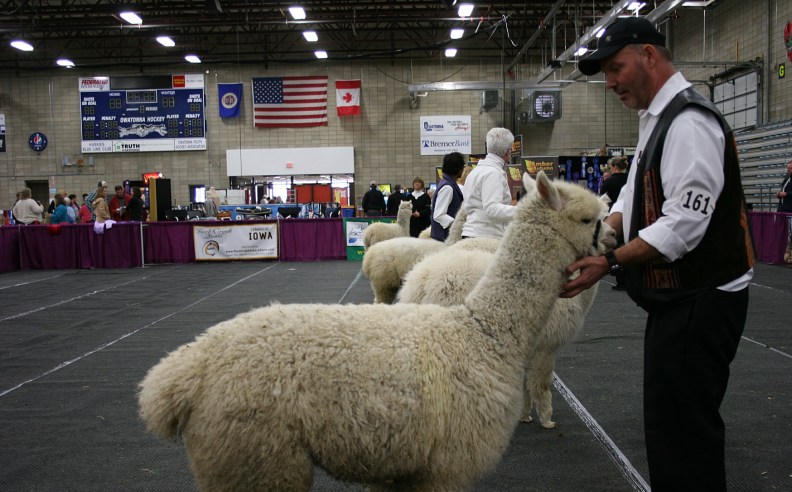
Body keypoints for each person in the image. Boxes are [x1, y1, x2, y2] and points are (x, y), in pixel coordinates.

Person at [563, 17, 755, 490]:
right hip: (679, 299)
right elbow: (632, 195)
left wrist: (607, 261)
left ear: (649, 55)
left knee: (685, 434)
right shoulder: (657, 118)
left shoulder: (689, 122)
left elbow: (683, 225)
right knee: (670, 425)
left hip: (704, 299)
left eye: (616, 68)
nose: (610, 83)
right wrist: (593, 235)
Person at [460, 127, 516, 239]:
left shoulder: (476, 171)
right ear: (507, 152)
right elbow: (492, 208)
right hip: (486, 236)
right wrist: (524, 211)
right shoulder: (493, 173)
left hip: (472, 234)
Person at [599, 155, 630, 290]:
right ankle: (631, 279)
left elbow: (603, 202)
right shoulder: (631, 179)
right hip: (630, 217)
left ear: (615, 167)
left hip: (614, 217)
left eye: (611, 167)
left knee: (616, 247)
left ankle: (621, 280)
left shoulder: (609, 182)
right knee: (629, 245)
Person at [430, 152, 466, 241]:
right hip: (444, 239)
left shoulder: (447, 183)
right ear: (458, 169)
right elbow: (439, 215)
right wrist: (458, 224)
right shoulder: (447, 187)